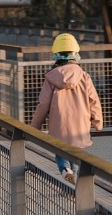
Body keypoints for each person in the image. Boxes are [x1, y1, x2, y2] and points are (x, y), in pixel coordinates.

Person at [29, 33, 103, 184]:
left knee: (60, 151)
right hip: (80, 123)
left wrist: (34, 126)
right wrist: (97, 121)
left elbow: (43, 104)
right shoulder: (84, 76)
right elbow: (93, 100)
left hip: (59, 122)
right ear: (76, 54)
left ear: (56, 55)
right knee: (75, 153)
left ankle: (65, 170)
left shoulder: (51, 78)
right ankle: (73, 182)